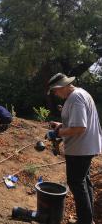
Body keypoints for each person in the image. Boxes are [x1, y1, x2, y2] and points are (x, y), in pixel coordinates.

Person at [46, 73, 102, 224]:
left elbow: (79, 128)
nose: (56, 94)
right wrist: (61, 126)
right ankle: (88, 219)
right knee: (84, 181)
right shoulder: (80, 94)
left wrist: (57, 132)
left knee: (76, 183)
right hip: (86, 147)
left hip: (80, 149)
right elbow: (75, 123)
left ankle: (84, 221)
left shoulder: (75, 98)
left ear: (61, 87)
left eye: (55, 91)